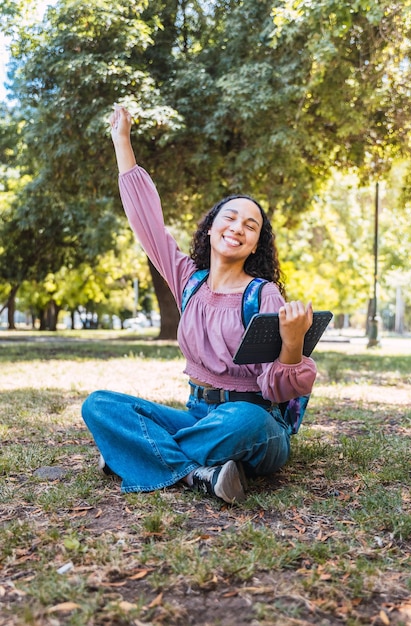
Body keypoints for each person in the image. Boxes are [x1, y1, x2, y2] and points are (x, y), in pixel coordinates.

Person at [81, 105, 317, 504]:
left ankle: (140, 454)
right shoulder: (188, 280)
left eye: (250, 225)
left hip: (256, 423)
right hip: (196, 415)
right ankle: (198, 476)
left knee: (245, 419)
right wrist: (122, 142)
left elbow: (277, 391)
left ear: (256, 244)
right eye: (230, 217)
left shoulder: (263, 295)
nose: (238, 228)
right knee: (99, 406)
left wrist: (293, 344)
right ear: (210, 227)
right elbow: (148, 222)